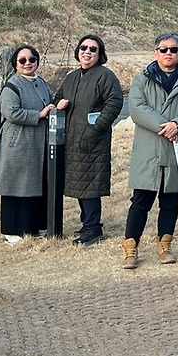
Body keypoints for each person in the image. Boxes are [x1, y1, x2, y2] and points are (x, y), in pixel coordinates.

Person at [123, 33, 178, 269]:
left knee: (171, 200)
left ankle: (165, 245)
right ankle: (130, 248)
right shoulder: (141, 80)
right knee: (141, 200)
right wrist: (166, 127)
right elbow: (137, 108)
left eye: (173, 49)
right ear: (155, 53)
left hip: (176, 149)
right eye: (163, 49)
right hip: (148, 150)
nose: (168, 53)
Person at [0, 44, 68, 244]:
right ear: (15, 64)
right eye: (22, 60)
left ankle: (32, 227)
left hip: (36, 144)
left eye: (32, 59)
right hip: (17, 143)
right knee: (14, 186)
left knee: (34, 186)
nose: (27, 63)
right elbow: (11, 113)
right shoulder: (12, 86)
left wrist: (56, 106)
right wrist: (39, 114)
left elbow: (49, 102)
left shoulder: (40, 82)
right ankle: (11, 230)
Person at [56, 34, 124, 246]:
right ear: (77, 51)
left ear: (99, 54)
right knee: (80, 183)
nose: (87, 52)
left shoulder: (105, 76)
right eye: (83, 48)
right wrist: (59, 104)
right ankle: (87, 224)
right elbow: (57, 97)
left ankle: (93, 229)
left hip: (93, 140)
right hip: (72, 140)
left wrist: (95, 129)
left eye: (93, 49)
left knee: (90, 185)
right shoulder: (71, 77)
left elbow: (115, 103)